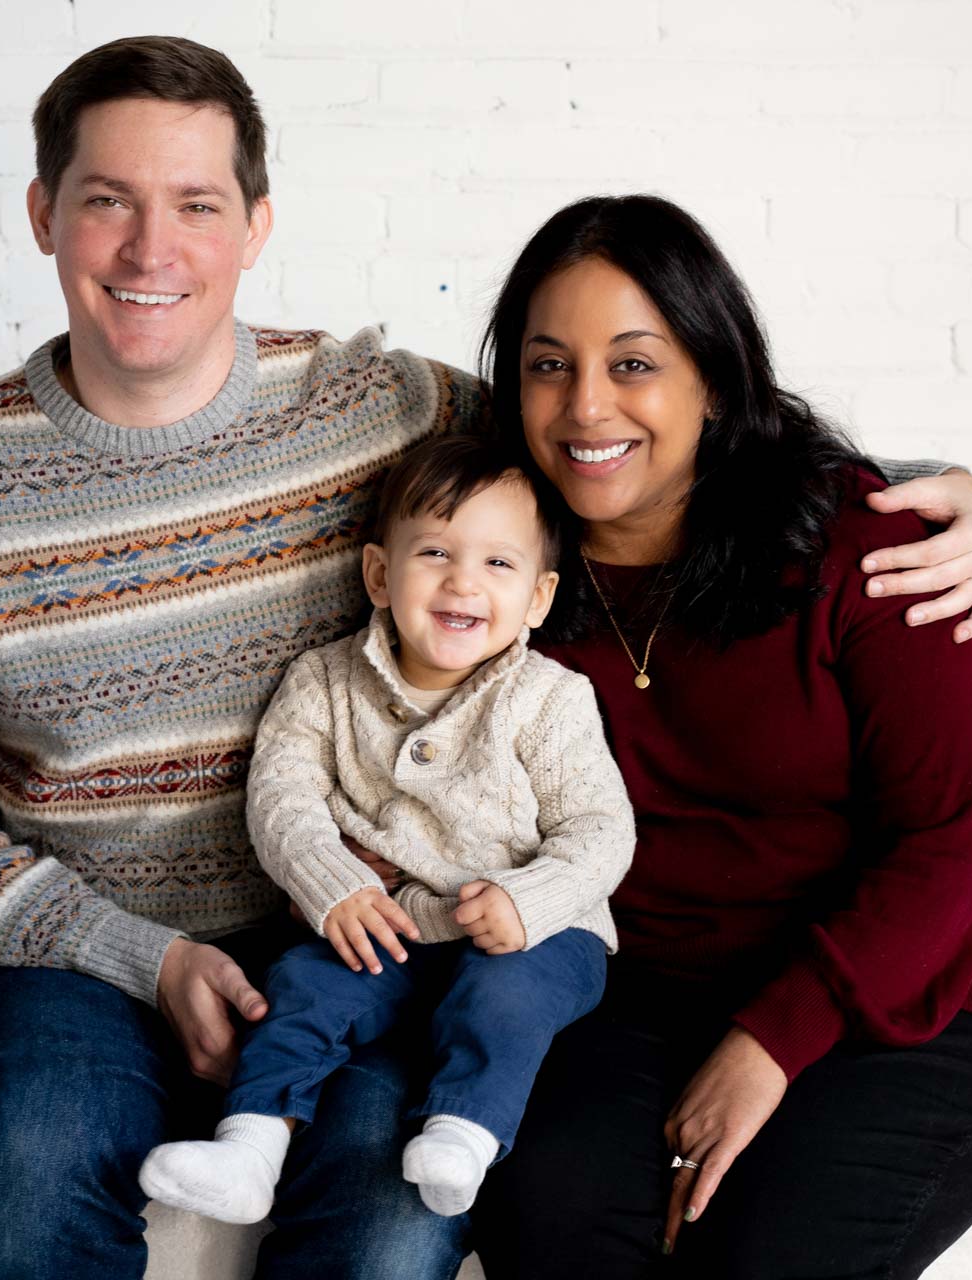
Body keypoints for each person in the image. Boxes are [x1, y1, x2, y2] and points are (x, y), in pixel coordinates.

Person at [0, 35, 972, 1280]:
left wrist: (940, 488)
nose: (149, 250)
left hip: (388, 932)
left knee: (392, 1235)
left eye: (196, 205)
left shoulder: (375, 410)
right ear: (42, 214)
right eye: (107, 200)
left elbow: (624, 441)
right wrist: (144, 956)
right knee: (26, 1195)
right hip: (92, 948)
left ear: (256, 225)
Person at [445, 195, 972, 1279]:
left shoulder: (866, 544)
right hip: (632, 996)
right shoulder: (497, 564)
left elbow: (947, 842)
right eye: (549, 364)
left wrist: (773, 1040)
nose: (586, 406)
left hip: (910, 994)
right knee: (546, 1224)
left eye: (634, 363)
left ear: (715, 380)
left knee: (759, 1258)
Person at [138, 433, 633, 1225]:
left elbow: (603, 830)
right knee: (303, 986)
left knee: (507, 999)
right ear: (379, 573)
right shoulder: (324, 682)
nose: (463, 582)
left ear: (538, 598)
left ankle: (463, 1134)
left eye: (498, 565)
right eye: (435, 551)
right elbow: (281, 799)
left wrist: (529, 898)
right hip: (386, 923)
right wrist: (332, 886)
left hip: (536, 932)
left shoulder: (549, 698)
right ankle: (250, 1146)